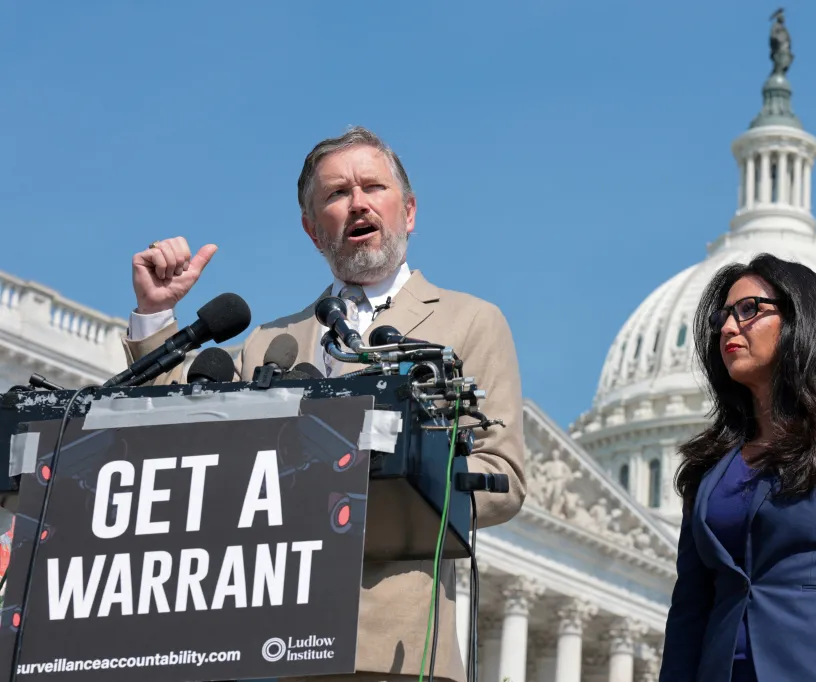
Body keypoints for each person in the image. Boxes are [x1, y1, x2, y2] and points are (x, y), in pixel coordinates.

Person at [124, 126, 526, 682]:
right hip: (268, 641)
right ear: (314, 231)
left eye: (373, 187)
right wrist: (154, 315)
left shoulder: (471, 321)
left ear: (408, 211)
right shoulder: (272, 342)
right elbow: (180, 445)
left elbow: (502, 476)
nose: (358, 202)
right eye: (337, 194)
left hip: (392, 649)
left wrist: (376, 481)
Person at [658, 253, 816, 682]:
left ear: (799, 322)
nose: (729, 327)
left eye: (749, 310)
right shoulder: (711, 465)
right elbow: (690, 605)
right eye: (723, 317)